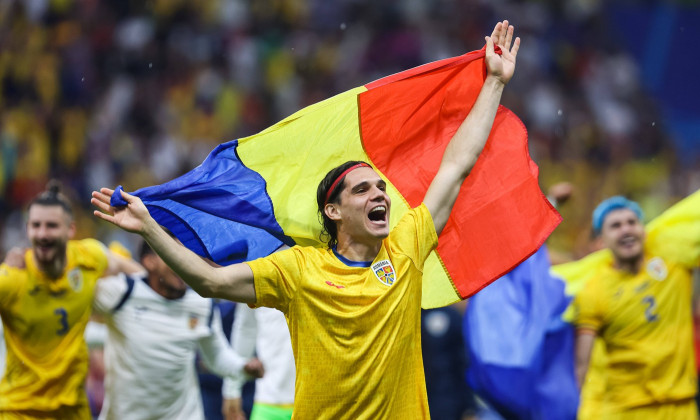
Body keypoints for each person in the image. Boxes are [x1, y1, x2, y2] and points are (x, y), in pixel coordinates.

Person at [91, 20, 519, 419]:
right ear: (333, 212)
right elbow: (212, 282)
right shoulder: (298, 269)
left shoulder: (406, 246)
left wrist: (494, 83)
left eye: (381, 188)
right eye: (363, 189)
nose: (380, 195)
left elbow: (455, 166)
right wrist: (149, 226)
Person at [0, 182, 144, 419]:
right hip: (19, 409)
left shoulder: (88, 258)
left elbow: (138, 276)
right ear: (27, 229)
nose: (43, 234)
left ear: (70, 229)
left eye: (52, 226)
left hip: (73, 410)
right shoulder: (11, 278)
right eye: (36, 225)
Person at [91, 236, 264, 420]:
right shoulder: (122, 292)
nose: (182, 261)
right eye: (171, 253)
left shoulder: (201, 304)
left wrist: (242, 367)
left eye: (185, 254)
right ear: (149, 262)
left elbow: (216, 356)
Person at [573, 196, 699, 419]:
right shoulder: (595, 290)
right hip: (627, 410)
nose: (626, 230)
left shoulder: (675, 264)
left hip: (681, 406)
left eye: (632, 222)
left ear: (644, 230)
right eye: (616, 226)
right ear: (601, 240)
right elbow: (582, 364)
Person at [222, 304, 295, 420]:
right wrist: (232, 389)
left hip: (320, 400)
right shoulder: (254, 285)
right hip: (269, 401)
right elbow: (246, 328)